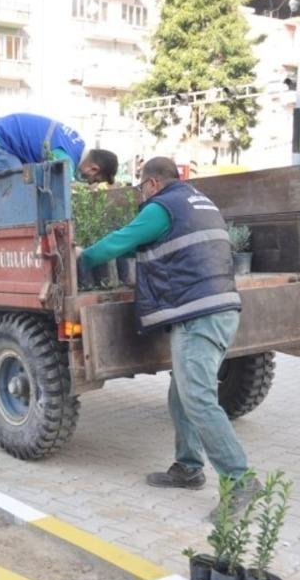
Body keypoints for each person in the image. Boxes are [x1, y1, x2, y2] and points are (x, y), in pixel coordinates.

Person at [79, 156, 259, 514]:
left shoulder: (161, 207)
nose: (141, 196)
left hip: (200, 315)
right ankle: (188, 468)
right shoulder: (198, 200)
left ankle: (240, 480)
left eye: (141, 189)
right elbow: (156, 245)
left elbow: (119, 242)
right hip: (216, 308)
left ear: (152, 183)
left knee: (198, 399)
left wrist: (84, 257)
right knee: (182, 395)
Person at [0, 113, 118, 185]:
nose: (92, 183)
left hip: (0, 144)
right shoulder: (65, 160)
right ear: (93, 169)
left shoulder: (76, 145)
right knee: (22, 187)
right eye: (96, 180)